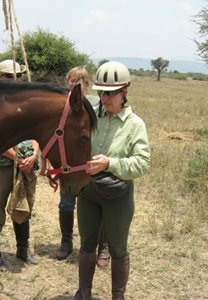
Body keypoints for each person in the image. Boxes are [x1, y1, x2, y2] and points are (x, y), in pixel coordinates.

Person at [73, 61, 151, 299]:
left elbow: (142, 163)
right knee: (87, 244)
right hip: (88, 192)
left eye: (111, 93)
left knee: (117, 248)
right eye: (101, 92)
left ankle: (118, 296)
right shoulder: (90, 117)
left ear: (124, 93)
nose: (105, 98)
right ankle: (83, 292)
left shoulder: (134, 125)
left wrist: (111, 163)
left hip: (117, 195)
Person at [0, 59, 40, 270]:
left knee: (23, 205)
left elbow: (36, 134)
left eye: (19, 76)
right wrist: (16, 158)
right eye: (9, 76)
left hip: (26, 164)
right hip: (2, 165)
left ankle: (23, 250)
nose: (16, 80)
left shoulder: (28, 103)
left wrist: (34, 155)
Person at [56, 67, 110, 268]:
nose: (75, 84)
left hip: (93, 161)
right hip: (71, 163)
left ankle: (102, 247)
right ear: (67, 82)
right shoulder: (62, 106)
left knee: (99, 206)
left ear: (87, 85)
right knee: (66, 203)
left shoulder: (97, 105)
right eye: (72, 80)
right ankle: (66, 242)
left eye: (80, 81)